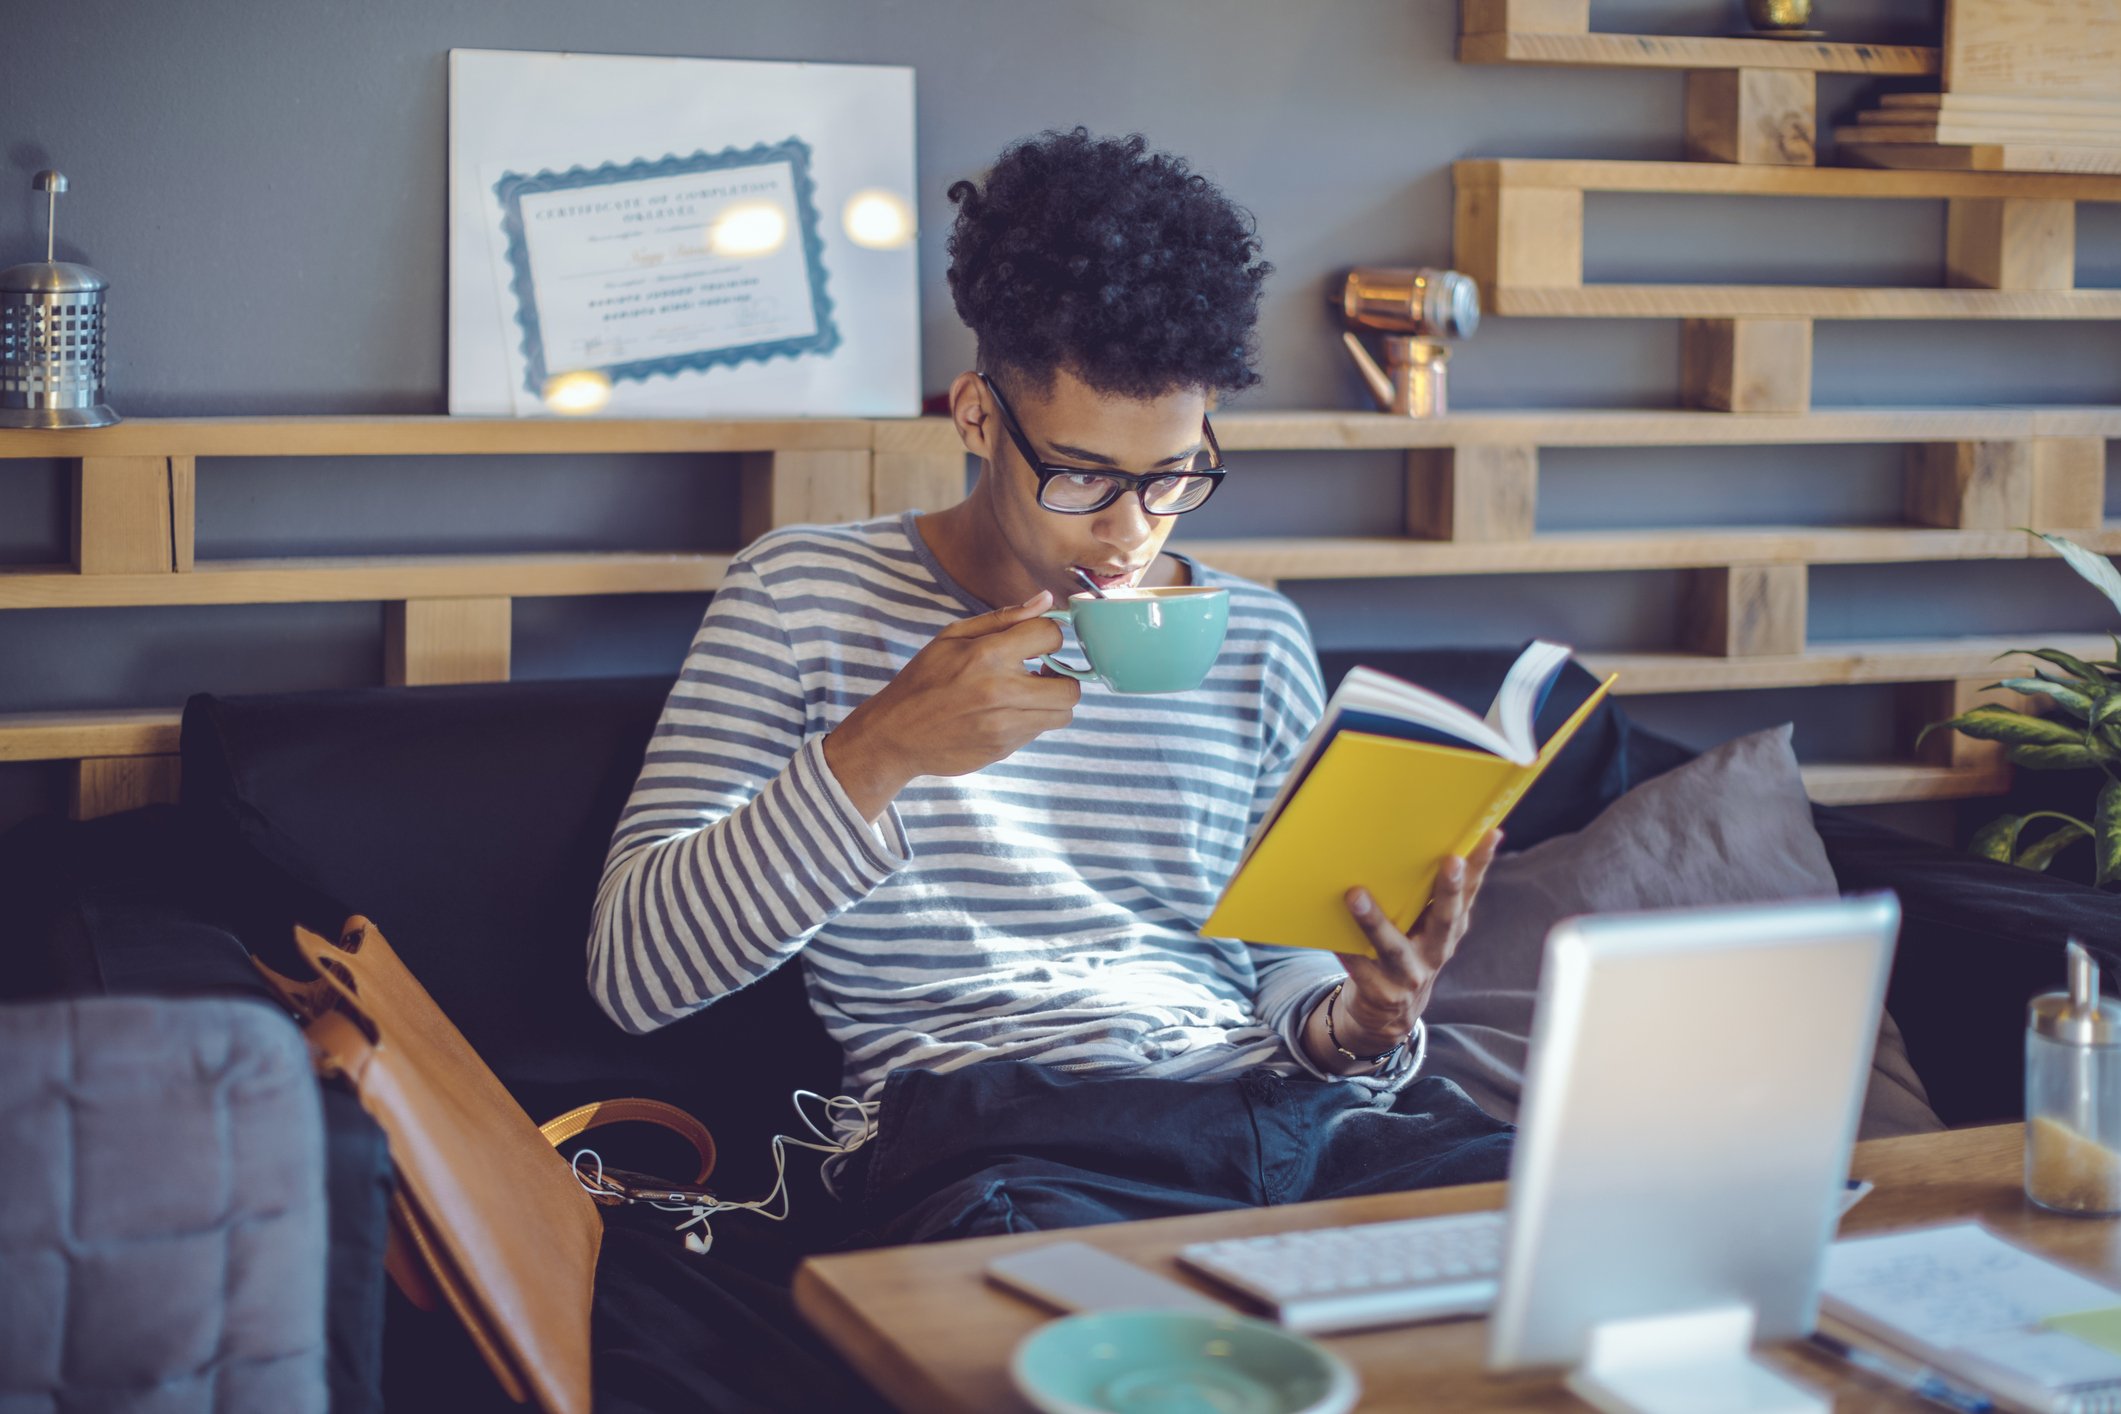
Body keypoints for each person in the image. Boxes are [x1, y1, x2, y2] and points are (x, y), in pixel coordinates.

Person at [588, 128, 1510, 1242]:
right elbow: (633, 974)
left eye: (1173, 474)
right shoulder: (800, 596)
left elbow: (1281, 965)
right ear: (977, 417)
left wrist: (1359, 1023)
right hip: (1001, 1130)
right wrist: (878, 750)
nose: (1129, 531)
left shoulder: (1256, 637)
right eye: (1082, 476)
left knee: (1559, 1218)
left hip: (1275, 1112)